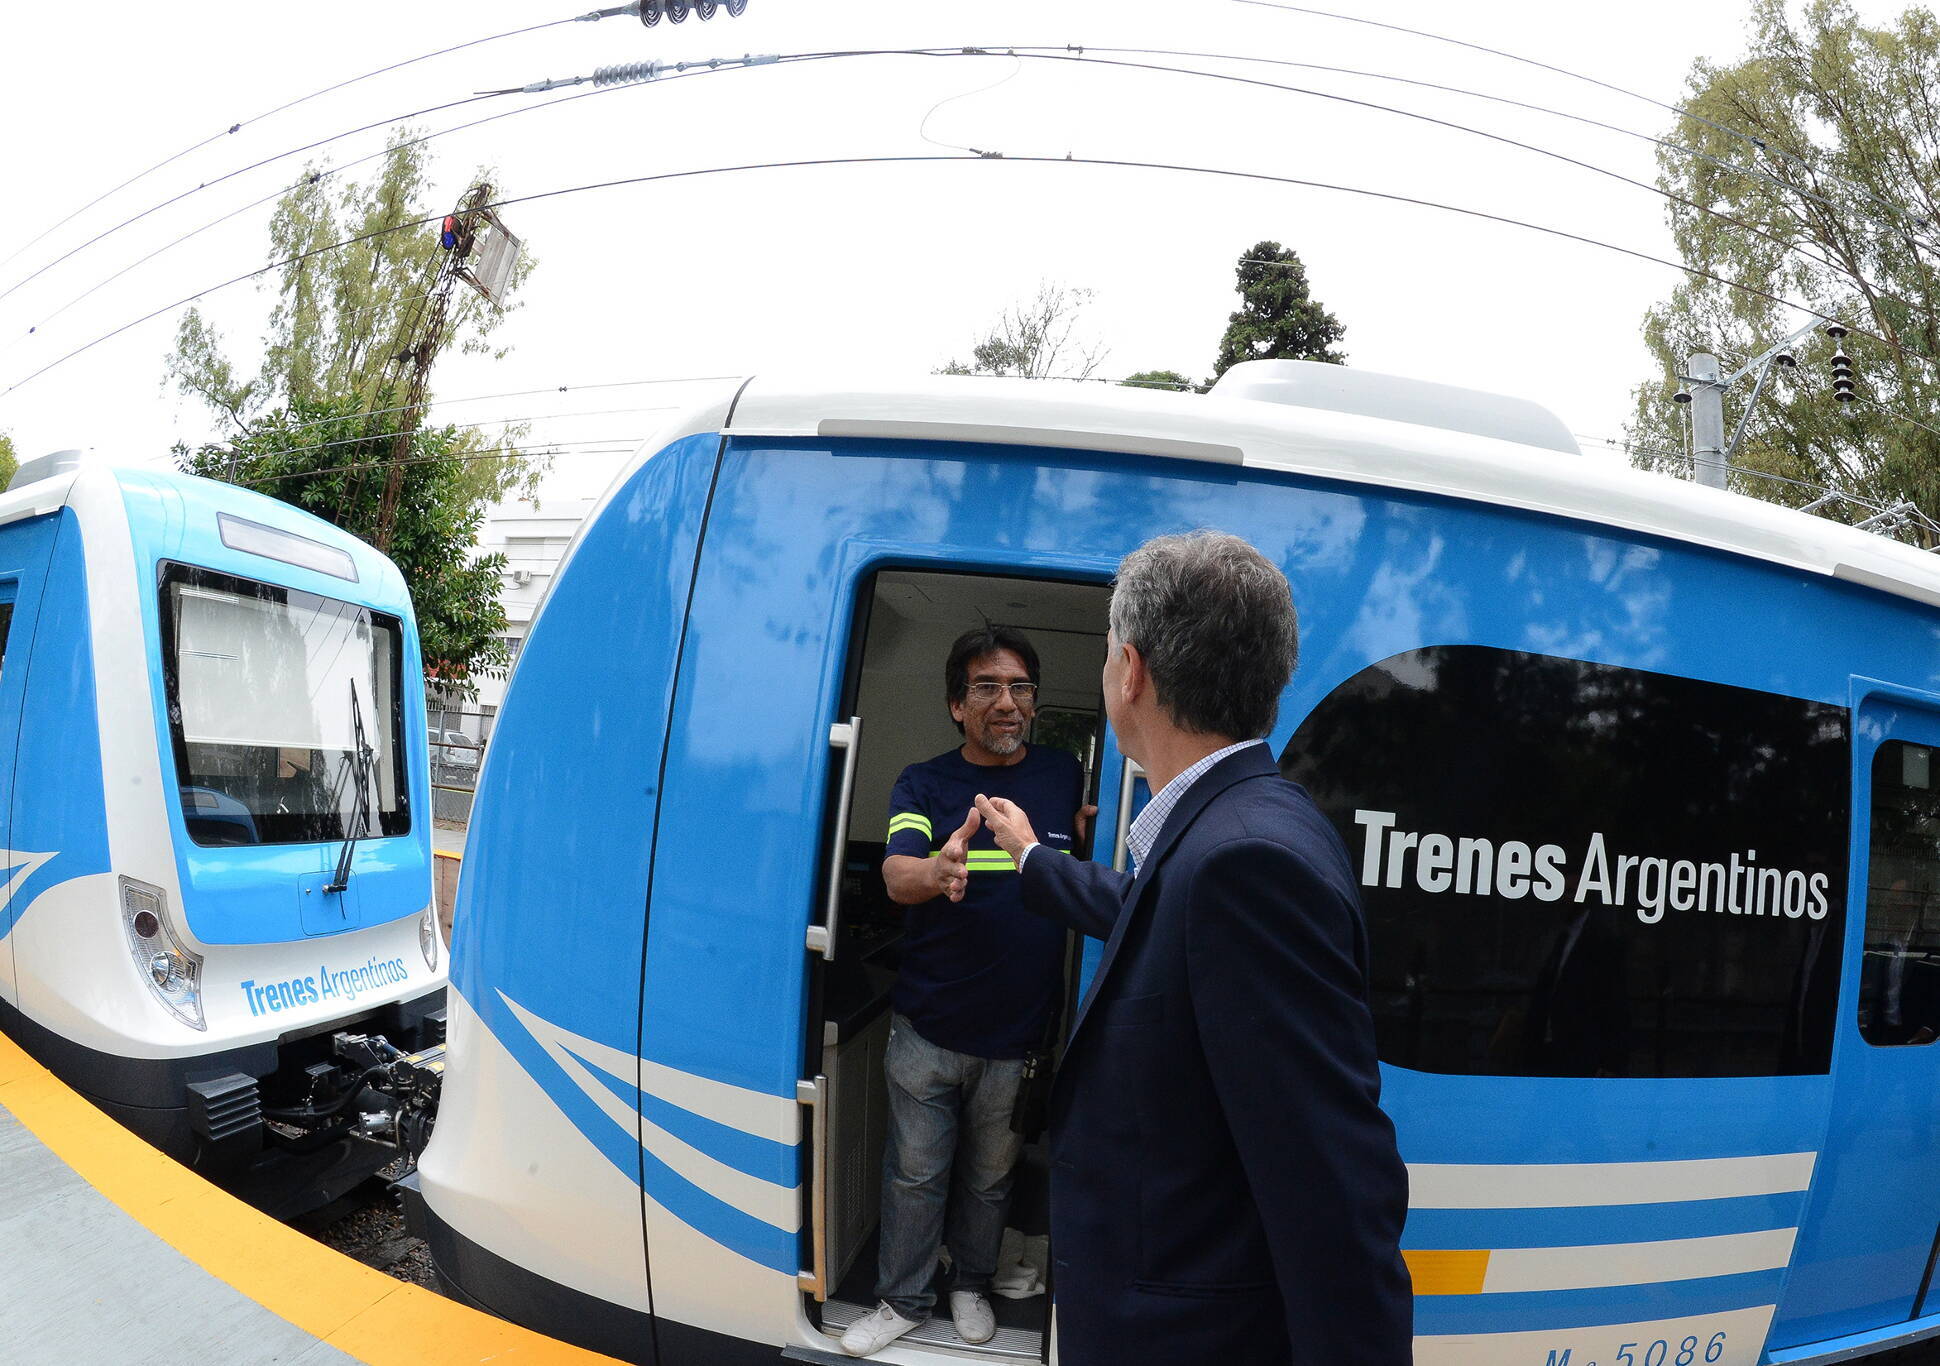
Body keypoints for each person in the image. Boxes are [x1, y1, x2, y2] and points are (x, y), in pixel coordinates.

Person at [974, 531, 1413, 1366]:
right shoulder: (1228, 833)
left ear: (1130, 671)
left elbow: (1335, 1200)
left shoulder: (1247, 863)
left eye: (1106, 652)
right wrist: (1035, 858)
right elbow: (1158, 917)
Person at [841, 625, 1088, 1358]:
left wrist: (1088, 837)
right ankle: (902, 1300)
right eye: (986, 688)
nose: (1006, 702)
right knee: (916, 1175)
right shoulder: (923, 782)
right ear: (957, 705)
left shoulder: (1063, 777)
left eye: (1019, 687)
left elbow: (1078, 860)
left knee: (989, 1181)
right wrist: (938, 873)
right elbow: (895, 872)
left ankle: (971, 1284)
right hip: (927, 1027)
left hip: (1017, 1038)